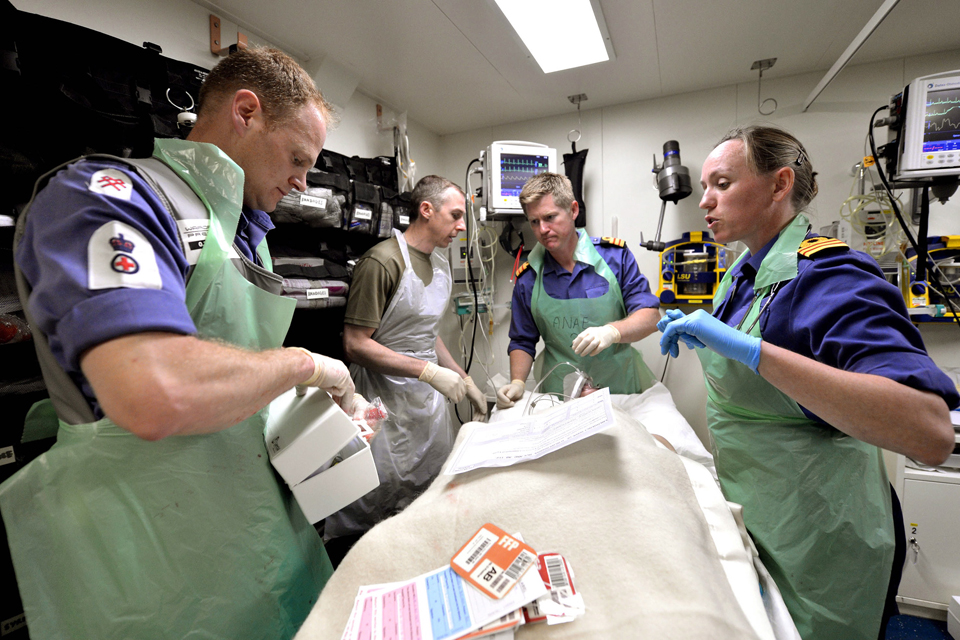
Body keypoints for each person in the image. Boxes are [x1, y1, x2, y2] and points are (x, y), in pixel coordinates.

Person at [0, 48, 357, 640]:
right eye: (298, 159)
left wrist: (317, 423)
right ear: (247, 112)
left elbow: (239, 378)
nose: (301, 183)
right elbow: (156, 388)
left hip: (257, 540)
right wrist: (306, 365)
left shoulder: (245, 234)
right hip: (151, 568)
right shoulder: (110, 197)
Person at [658, 125, 958, 640]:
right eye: (705, 185)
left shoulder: (830, 275)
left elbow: (929, 432)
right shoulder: (742, 274)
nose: (705, 200)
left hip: (822, 533)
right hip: (764, 510)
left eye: (723, 183)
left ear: (779, 185)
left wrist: (754, 352)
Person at [324, 175, 487, 541]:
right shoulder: (382, 261)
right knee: (369, 504)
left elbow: (428, 335)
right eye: (456, 215)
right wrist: (427, 371)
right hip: (380, 400)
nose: (462, 226)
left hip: (425, 408)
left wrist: (465, 379)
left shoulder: (441, 265)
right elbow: (355, 344)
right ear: (426, 210)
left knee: (424, 501)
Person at [497, 172, 660, 408]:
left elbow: (650, 316)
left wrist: (611, 332)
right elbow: (523, 340)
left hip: (620, 391)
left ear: (573, 210)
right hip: (560, 397)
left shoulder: (614, 258)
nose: (542, 229)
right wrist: (518, 382)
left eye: (550, 217)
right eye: (534, 221)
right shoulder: (529, 277)